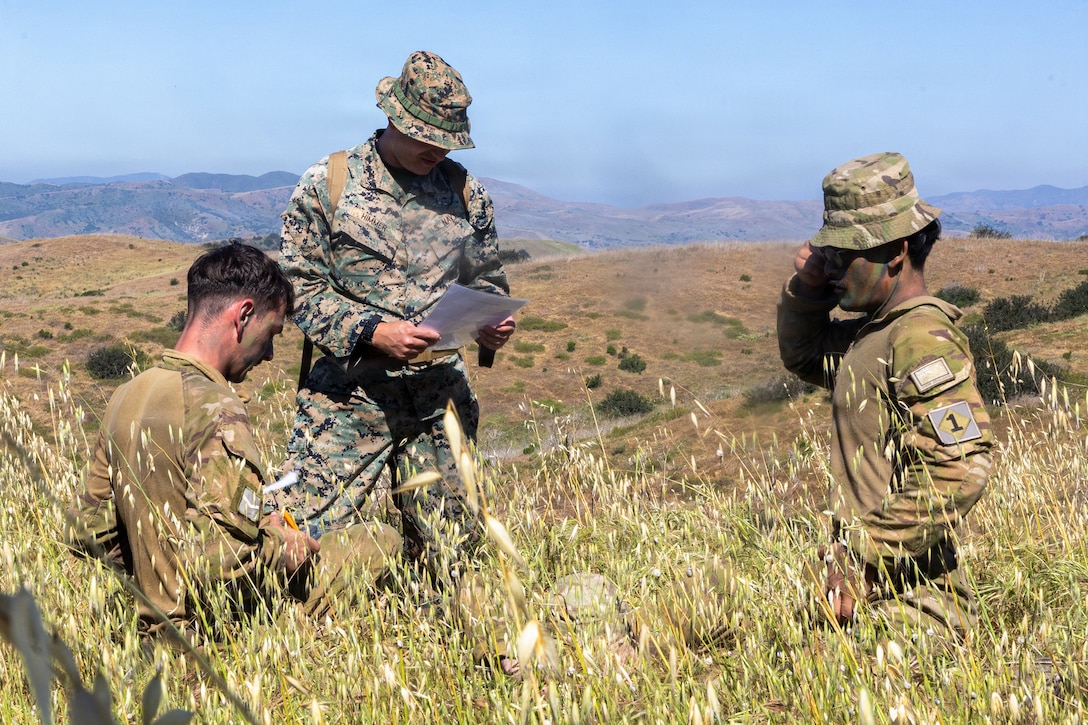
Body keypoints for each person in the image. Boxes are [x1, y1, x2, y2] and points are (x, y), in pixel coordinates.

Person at [67, 242, 400, 640]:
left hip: (156, 622)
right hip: (207, 630)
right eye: (272, 333)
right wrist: (283, 543)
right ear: (243, 315)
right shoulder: (215, 407)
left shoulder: (127, 394)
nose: (271, 354)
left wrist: (155, 565)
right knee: (380, 541)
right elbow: (221, 564)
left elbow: (85, 532)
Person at [278, 50, 515, 581]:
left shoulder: (465, 193)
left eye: (446, 138)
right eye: (425, 135)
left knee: (449, 555)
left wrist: (493, 326)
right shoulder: (329, 184)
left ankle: (441, 642)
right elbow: (299, 288)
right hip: (347, 399)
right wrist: (371, 331)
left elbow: (487, 280)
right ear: (393, 119)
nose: (437, 149)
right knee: (298, 540)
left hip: (439, 400)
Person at [776, 152, 993, 643]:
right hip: (869, 600)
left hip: (914, 609)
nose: (828, 263)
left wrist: (864, 558)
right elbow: (805, 353)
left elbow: (962, 466)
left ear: (894, 251)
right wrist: (807, 290)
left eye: (841, 252)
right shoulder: (873, 337)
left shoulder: (919, 337)